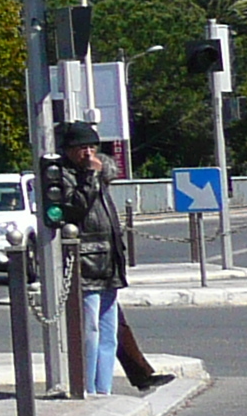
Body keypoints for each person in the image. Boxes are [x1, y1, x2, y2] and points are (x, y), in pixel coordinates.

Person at [54, 121, 164, 393]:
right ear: (69, 149)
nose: (88, 153)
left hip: (108, 263)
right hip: (86, 262)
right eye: (81, 148)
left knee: (108, 332)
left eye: (92, 147)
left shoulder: (97, 177)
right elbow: (75, 208)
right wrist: (90, 176)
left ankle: (103, 390)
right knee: (89, 332)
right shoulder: (65, 176)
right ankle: (88, 388)